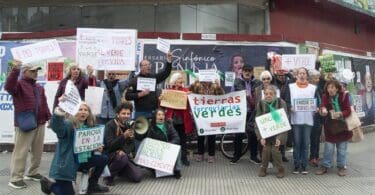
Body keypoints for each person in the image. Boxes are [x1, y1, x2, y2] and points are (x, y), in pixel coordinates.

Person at [40, 101, 109, 195]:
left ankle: (93, 185)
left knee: (103, 159)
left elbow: (88, 145)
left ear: (89, 113)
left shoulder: (90, 127)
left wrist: (96, 148)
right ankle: (50, 186)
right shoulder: (68, 125)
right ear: (74, 112)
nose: (83, 112)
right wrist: (60, 111)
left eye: (86, 110)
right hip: (66, 165)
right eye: (80, 109)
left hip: (81, 161)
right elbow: (57, 126)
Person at [5, 60, 51, 189]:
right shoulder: (18, 85)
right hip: (25, 123)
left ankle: (32, 172)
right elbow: (8, 86)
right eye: (33, 70)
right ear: (24, 72)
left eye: (37, 70)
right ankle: (15, 178)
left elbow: (44, 104)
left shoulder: (39, 87)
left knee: (38, 151)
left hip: (40, 122)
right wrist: (15, 69)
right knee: (21, 152)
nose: (36, 73)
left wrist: (49, 117)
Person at [316, 80, 352, 177]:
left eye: (332, 87)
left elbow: (348, 110)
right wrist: (323, 110)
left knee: (341, 148)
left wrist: (340, 113)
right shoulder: (325, 96)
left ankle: (341, 166)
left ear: (337, 88)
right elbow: (322, 106)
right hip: (330, 127)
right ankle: (325, 165)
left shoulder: (344, 96)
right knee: (328, 148)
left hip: (343, 126)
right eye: (328, 88)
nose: (330, 90)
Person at [286, 67, 317, 174]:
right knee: (297, 143)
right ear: (297, 75)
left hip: (308, 120)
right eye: (300, 73)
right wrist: (290, 107)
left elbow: (318, 101)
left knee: (306, 144)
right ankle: (296, 164)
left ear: (307, 75)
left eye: (304, 73)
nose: (302, 75)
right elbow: (285, 101)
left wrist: (317, 107)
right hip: (296, 120)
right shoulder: (291, 87)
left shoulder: (313, 88)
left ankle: (304, 165)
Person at [103, 103, 143, 186]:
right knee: (122, 158)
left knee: (137, 176)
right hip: (110, 154)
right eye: (123, 113)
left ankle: (119, 169)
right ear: (117, 114)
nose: (126, 116)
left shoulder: (129, 125)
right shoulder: (110, 125)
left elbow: (132, 145)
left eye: (128, 114)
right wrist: (124, 136)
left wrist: (124, 150)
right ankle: (108, 176)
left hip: (123, 155)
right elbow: (110, 145)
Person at [125, 52, 173, 119]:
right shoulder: (134, 80)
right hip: (141, 112)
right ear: (141, 67)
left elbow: (166, 73)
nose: (148, 66)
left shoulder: (153, 77)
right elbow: (127, 96)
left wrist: (169, 60)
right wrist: (140, 94)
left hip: (154, 111)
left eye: (149, 64)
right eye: (146, 65)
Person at [230, 65, 262, 164]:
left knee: (253, 135)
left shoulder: (258, 83)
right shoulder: (236, 82)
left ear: (252, 72)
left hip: (253, 112)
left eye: (249, 71)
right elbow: (231, 95)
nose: (247, 73)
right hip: (240, 112)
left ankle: (253, 156)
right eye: (245, 71)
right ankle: (236, 156)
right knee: (238, 135)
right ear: (242, 72)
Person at [255, 85, 287, 178]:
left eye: (270, 94)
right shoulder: (261, 104)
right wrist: (261, 137)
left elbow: (284, 121)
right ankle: (263, 168)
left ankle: (281, 169)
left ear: (275, 94)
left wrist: (280, 138)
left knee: (275, 151)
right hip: (266, 133)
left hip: (279, 132)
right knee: (265, 150)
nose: (268, 96)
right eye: (266, 94)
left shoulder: (281, 103)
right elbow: (257, 121)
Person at [162, 72, 193, 166]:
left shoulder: (186, 90)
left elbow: (190, 104)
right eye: (179, 78)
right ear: (174, 81)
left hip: (182, 120)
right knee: (172, 139)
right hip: (171, 119)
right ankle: (172, 159)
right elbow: (163, 106)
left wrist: (189, 96)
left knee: (183, 139)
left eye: (181, 79)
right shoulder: (168, 91)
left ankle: (184, 158)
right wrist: (161, 99)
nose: (181, 80)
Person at [194, 80, 225, 163]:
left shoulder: (215, 86)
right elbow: (190, 92)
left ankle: (211, 155)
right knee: (200, 135)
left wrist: (219, 86)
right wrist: (194, 84)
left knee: (212, 135)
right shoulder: (198, 85)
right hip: (201, 115)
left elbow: (222, 96)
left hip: (212, 114)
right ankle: (200, 153)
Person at [147, 109, 182, 179]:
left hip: (167, 148)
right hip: (156, 149)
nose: (161, 116)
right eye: (159, 115)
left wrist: (169, 144)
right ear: (155, 117)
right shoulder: (150, 127)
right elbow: (148, 141)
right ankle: (154, 169)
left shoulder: (169, 126)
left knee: (178, 148)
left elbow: (176, 138)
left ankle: (177, 170)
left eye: (163, 115)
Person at [308, 69, 324, 167]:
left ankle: (315, 156)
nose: (317, 79)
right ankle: (312, 156)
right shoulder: (308, 88)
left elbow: (321, 100)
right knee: (312, 137)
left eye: (318, 77)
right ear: (310, 78)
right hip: (309, 115)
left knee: (316, 137)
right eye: (315, 77)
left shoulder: (319, 88)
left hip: (318, 115)